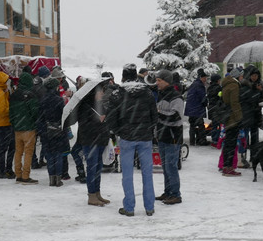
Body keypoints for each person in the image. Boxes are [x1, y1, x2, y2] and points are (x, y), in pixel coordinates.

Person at [106, 63, 158, 216]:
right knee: (147, 173)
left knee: (127, 174)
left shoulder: (117, 94)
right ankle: (149, 207)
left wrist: (119, 131)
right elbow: (154, 116)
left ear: (123, 76)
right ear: (135, 76)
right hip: (145, 138)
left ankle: (129, 207)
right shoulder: (147, 93)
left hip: (127, 138)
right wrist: (148, 129)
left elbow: (111, 118)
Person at [78, 81, 112, 207]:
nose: (102, 94)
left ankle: (97, 193)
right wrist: (98, 121)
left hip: (100, 140)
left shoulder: (99, 104)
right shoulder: (85, 106)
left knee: (98, 169)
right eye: (100, 91)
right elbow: (84, 126)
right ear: (94, 93)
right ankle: (91, 195)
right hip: (90, 141)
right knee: (92, 168)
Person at [154, 69, 184, 205]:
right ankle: (168, 192)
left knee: (171, 166)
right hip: (162, 135)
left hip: (172, 136)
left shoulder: (176, 97)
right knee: (165, 166)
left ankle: (175, 194)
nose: (157, 83)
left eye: (159, 80)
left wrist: (158, 113)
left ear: (167, 81)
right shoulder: (161, 95)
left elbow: (175, 116)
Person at [9, 72, 40, 184]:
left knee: (18, 152)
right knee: (28, 152)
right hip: (29, 128)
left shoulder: (13, 95)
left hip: (17, 128)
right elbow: (35, 112)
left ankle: (18, 175)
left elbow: (11, 113)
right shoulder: (30, 95)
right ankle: (25, 176)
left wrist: (14, 123)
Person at [37, 77, 68, 186]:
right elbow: (64, 117)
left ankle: (51, 179)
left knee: (49, 155)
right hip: (57, 130)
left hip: (46, 130)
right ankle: (58, 178)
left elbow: (39, 118)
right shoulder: (59, 100)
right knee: (58, 154)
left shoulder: (42, 100)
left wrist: (41, 130)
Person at [218, 68, 244, 176]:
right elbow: (235, 102)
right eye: (242, 75)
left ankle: (225, 165)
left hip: (228, 117)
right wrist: (239, 117)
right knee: (231, 143)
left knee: (228, 142)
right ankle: (228, 167)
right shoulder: (234, 86)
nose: (243, 77)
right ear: (238, 76)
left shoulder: (227, 84)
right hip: (232, 118)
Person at [239, 65, 263, 159]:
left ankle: (254, 156)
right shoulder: (245, 85)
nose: (254, 77)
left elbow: (262, 98)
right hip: (247, 115)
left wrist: (260, 91)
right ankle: (242, 157)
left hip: (255, 115)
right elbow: (247, 98)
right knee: (244, 137)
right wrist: (256, 90)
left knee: (255, 137)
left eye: (256, 75)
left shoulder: (260, 86)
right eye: (252, 75)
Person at [185, 68, 208, 146]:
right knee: (201, 125)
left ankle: (192, 141)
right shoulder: (200, 85)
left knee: (192, 125)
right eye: (205, 78)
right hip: (197, 109)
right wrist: (205, 103)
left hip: (191, 109)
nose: (206, 79)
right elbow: (203, 98)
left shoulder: (194, 84)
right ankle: (201, 140)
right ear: (201, 77)